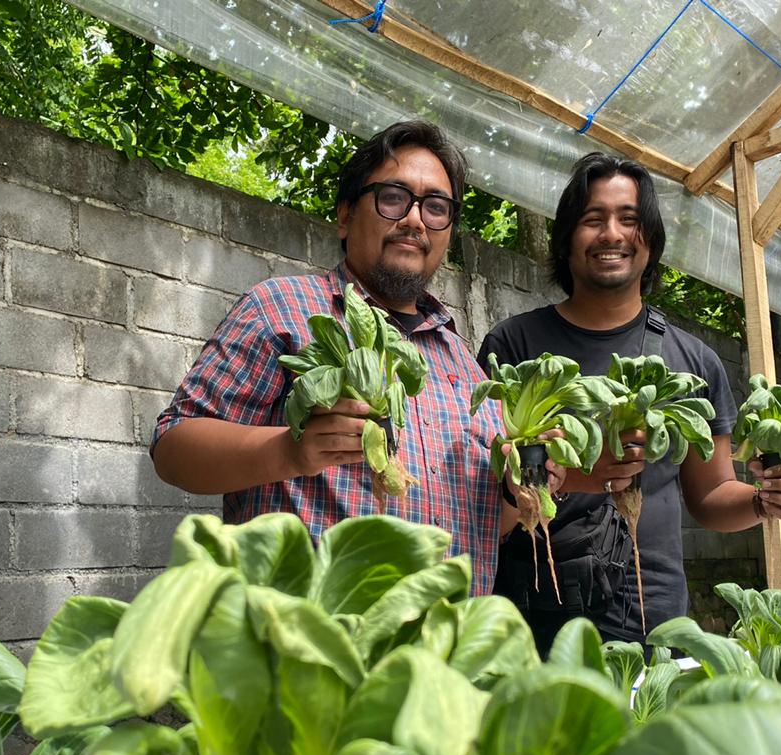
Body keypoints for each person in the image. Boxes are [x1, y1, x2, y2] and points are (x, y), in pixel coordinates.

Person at [151, 120, 542, 594]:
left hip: (441, 653)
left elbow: (482, 524)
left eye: (436, 207)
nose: (416, 220)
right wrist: (289, 452)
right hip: (308, 649)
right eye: (394, 197)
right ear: (344, 215)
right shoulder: (281, 308)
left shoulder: (462, 361)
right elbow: (174, 449)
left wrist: (516, 494)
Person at [479, 152, 781, 652]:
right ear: (567, 237)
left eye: (629, 220)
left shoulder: (694, 361)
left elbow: (711, 496)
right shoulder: (514, 347)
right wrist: (584, 476)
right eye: (593, 219)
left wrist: (764, 501)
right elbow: (492, 490)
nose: (612, 234)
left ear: (651, 241)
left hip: (652, 620)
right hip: (534, 620)